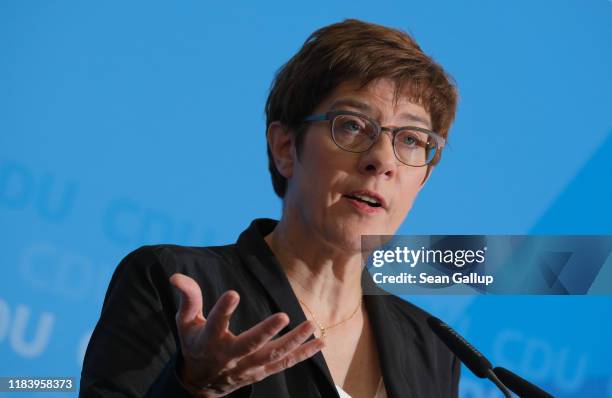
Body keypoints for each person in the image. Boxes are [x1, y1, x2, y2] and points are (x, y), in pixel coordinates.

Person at [80, 19, 460, 398]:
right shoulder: (176, 284)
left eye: (411, 139)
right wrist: (194, 388)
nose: (382, 161)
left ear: (423, 177)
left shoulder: (433, 348)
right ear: (285, 148)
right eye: (352, 126)